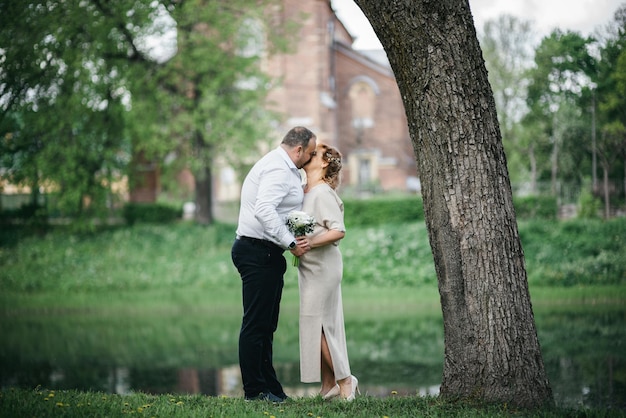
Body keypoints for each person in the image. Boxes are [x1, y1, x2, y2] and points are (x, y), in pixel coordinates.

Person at [231, 126, 317, 402]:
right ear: (298, 149)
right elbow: (264, 210)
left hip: (265, 253)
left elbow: (279, 208)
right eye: (311, 153)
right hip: (257, 252)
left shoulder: (285, 168)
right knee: (256, 325)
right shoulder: (279, 169)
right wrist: (291, 243)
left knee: (267, 326)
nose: (312, 159)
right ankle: (254, 392)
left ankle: (271, 388)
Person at [297, 143, 359, 401]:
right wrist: (296, 243)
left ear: (324, 163)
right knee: (318, 325)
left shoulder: (322, 193)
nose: (309, 155)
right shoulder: (304, 191)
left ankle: (345, 380)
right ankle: (327, 387)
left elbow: (338, 230)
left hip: (324, 267)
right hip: (309, 267)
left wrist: (309, 243)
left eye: (315, 153)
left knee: (320, 325)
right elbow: (303, 228)